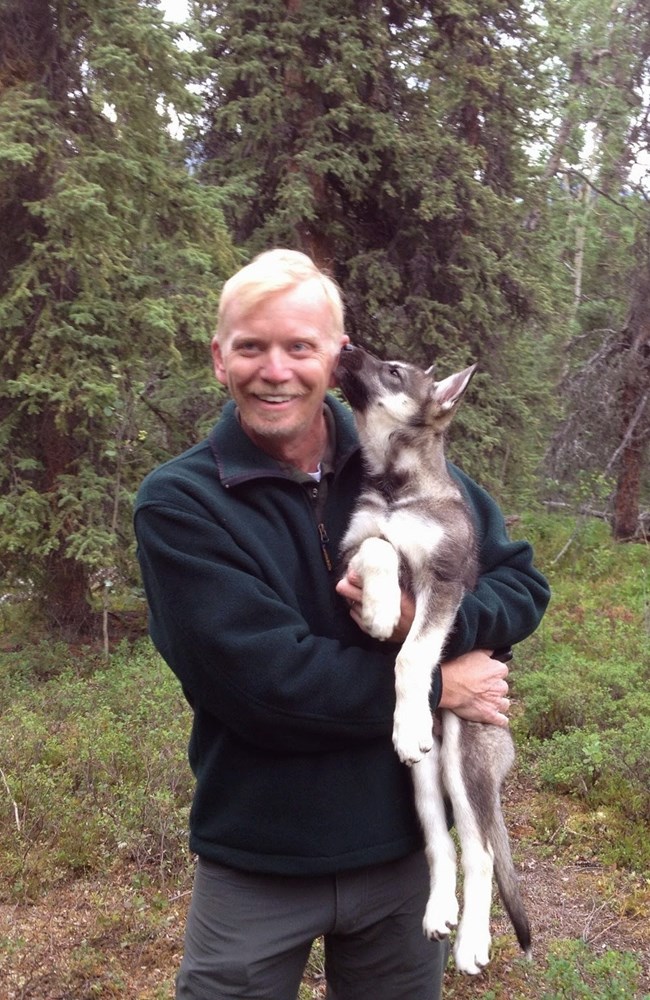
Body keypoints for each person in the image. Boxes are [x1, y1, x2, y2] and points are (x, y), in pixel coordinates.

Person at [134, 249, 550, 1000]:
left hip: (400, 859)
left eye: (300, 346)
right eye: (252, 347)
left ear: (336, 354)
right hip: (259, 859)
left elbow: (519, 584)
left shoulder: (398, 458)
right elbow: (265, 687)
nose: (276, 370)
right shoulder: (181, 501)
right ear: (218, 359)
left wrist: (427, 624)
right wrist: (439, 688)